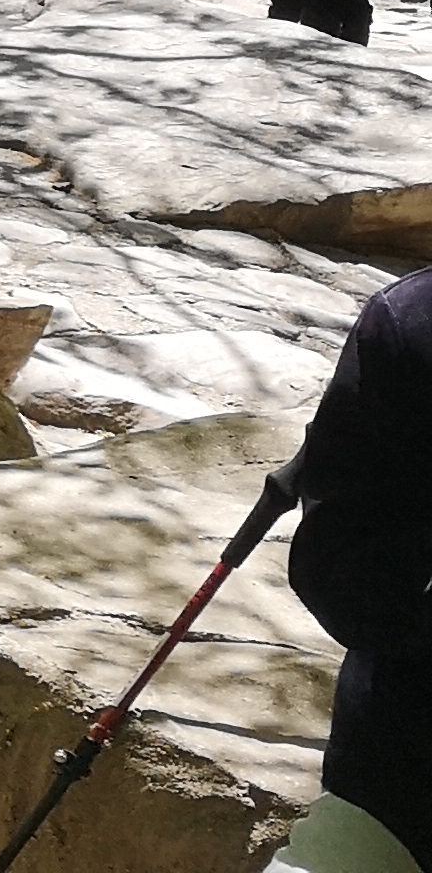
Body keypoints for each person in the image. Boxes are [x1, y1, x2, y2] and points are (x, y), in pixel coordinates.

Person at [276, 264, 432, 873]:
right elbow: (339, 572)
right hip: (400, 785)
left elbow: (339, 573)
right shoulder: (410, 325)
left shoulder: (410, 321)